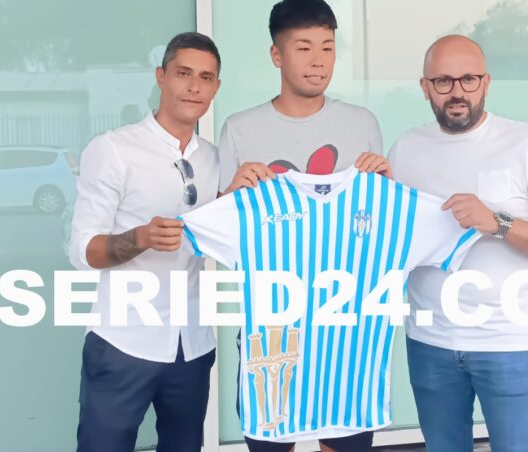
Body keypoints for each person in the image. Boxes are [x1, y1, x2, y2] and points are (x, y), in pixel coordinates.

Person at [388, 35, 528, 452]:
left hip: (508, 341)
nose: (457, 91)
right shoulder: (406, 149)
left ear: (486, 83)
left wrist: (497, 223)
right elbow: (391, 237)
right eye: (443, 81)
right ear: (424, 87)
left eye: (468, 79)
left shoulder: (527, 145)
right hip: (430, 341)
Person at [217, 1, 390, 450]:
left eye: (328, 47)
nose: (318, 61)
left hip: (346, 321)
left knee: (345, 441)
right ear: (277, 55)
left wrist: (386, 186)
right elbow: (223, 233)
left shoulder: (361, 124)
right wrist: (229, 195)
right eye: (304, 47)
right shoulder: (240, 129)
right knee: (272, 438)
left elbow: (375, 221)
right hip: (270, 322)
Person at [68, 32, 222, 452]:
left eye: (205, 77)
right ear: (161, 76)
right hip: (123, 343)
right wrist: (139, 238)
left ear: (215, 87)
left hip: (192, 346)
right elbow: (82, 250)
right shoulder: (114, 149)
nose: (194, 86)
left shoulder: (216, 159)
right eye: (183, 73)